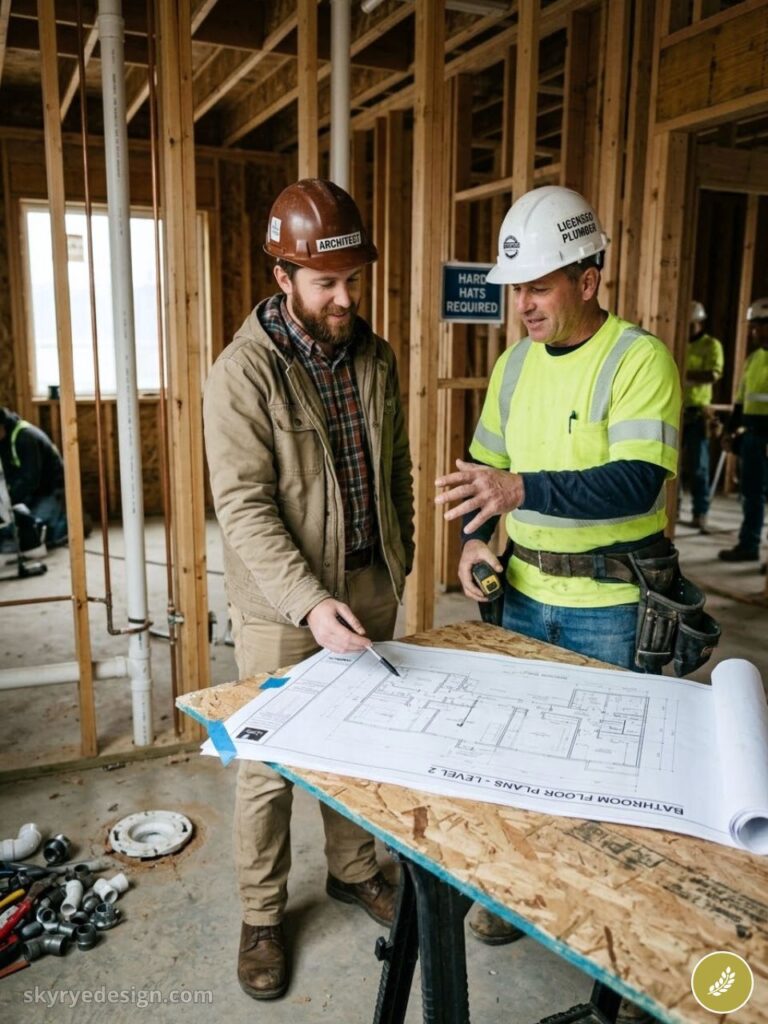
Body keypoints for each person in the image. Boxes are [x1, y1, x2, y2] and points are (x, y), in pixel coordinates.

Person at [435, 186, 681, 1022]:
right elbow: (481, 477)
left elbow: (640, 479)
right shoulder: (512, 367)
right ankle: (513, 899)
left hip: (610, 608)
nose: (523, 304)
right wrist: (473, 543)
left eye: (538, 285)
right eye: (516, 288)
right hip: (525, 597)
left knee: (610, 787)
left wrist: (521, 487)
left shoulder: (637, 359)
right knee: (523, 764)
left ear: (590, 276)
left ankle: (610, 943)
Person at [203, 178, 414, 1001]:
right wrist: (306, 600)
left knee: (357, 747)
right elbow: (245, 509)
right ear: (283, 275)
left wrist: (389, 562)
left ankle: (354, 869)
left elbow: (392, 466)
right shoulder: (241, 374)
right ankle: (261, 913)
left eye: (354, 279)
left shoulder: (376, 354)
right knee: (271, 760)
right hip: (281, 605)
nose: (345, 298)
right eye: (327, 283)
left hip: (368, 580)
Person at [718, 298, 768, 564]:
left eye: (759, 326)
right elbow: (740, 401)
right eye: (753, 327)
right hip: (752, 436)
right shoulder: (753, 359)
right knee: (750, 494)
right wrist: (730, 432)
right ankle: (749, 545)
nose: (754, 332)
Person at [680, 301, 724, 532]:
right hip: (677, 411)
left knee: (699, 466)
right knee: (672, 466)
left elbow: (713, 373)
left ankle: (700, 512)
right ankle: (674, 509)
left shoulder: (711, 345)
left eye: (691, 324)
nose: (687, 329)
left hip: (698, 412)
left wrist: (685, 374)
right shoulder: (677, 341)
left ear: (699, 322)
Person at [0, 406, 67, 551]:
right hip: (34, 492)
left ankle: (69, 521)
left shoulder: (26, 437)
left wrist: (11, 501)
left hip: (50, 490)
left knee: (37, 534)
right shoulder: (5, 439)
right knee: (15, 527)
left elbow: (31, 479)